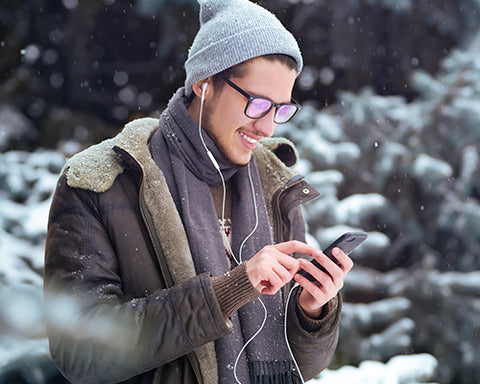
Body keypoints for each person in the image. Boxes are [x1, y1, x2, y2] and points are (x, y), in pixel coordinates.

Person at [43, 0, 354, 383]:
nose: (268, 128)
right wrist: (229, 291)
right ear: (204, 84)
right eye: (257, 104)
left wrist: (312, 312)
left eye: (280, 110)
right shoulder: (101, 182)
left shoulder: (275, 185)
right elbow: (80, 353)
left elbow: (299, 367)